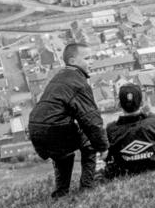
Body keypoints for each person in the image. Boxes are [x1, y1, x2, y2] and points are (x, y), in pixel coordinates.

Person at [28, 42, 109, 198]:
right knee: (89, 142)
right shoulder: (79, 83)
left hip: (36, 129)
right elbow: (91, 120)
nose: (91, 61)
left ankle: (61, 192)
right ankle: (86, 187)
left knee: (62, 155)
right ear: (72, 61)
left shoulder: (59, 76)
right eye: (87, 58)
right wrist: (103, 147)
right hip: (55, 128)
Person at [104, 83, 155, 179]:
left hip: (125, 169)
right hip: (154, 164)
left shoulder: (111, 129)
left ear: (119, 104)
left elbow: (109, 155)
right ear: (142, 103)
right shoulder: (153, 121)